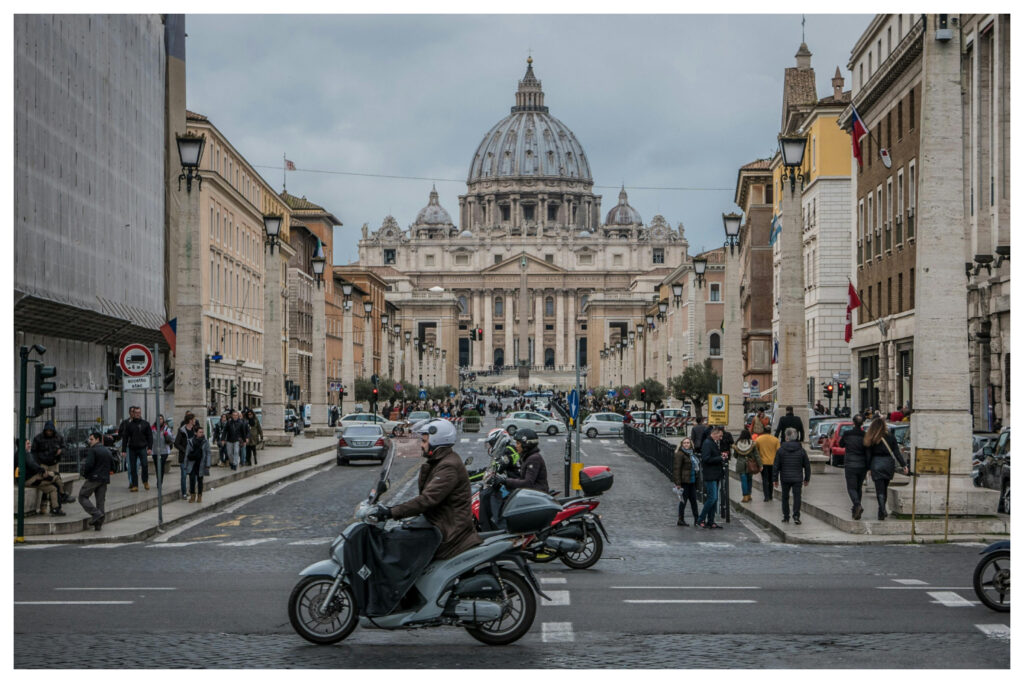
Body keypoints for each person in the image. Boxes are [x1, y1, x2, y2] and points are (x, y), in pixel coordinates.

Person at [369, 419, 483, 560]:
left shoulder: (448, 466)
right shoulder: (441, 461)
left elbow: (427, 500)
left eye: (424, 441)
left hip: (449, 531)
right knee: (401, 534)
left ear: (436, 441)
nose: (421, 445)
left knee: (398, 543)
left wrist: (390, 512)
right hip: (441, 522)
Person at [863, 417, 908, 521]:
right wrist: (904, 465)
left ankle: (882, 509)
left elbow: (868, 455)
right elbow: (897, 452)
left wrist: (868, 468)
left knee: (879, 489)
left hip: (876, 463)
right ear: (884, 426)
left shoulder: (871, 437)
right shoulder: (891, 437)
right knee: (885, 487)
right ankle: (881, 512)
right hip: (888, 464)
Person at [29, 421, 73, 503]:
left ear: (53, 430)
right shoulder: (38, 438)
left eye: (50, 431)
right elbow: (34, 452)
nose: (49, 432)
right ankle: (45, 504)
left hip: (54, 464)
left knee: (56, 482)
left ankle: (57, 503)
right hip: (43, 464)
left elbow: (65, 447)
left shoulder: (59, 437)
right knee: (45, 483)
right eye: (47, 430)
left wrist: (61, 451)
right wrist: (38, 464)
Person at [773, 427, 810, 524]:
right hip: (797, 478)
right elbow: (807, 465)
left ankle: (786, 516)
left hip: (785, 478)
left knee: (785, 497)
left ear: (786, 437)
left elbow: (776, 466)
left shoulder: (781, 450)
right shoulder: (801, 450)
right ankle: (796, 515)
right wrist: (807, 478)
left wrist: (775, 479)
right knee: (797, 497)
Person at [77, 432, 113, 530]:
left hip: (94, 478)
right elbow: (113, 464)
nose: (90, 441)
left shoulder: (93, 450)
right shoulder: (107, 450)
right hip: (104, 479)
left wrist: (86, 474)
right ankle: (98, 525)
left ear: (97, 439)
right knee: (100, 501)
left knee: (82, 496)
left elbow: (89, 464)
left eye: (92, 439)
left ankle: (96, 513)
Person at [495, 428, 549, 494]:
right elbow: (522, 478)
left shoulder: (534, 459)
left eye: (518, 443)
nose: (516, 446)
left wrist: (505, 481)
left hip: (537, 493)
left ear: (526, 444)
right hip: (532, 492)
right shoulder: (527, 457)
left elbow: (528, 483)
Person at [696, 426, 727, 529]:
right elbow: (706, 459)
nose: (721, 438)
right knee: (712, 498)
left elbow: (712, 456)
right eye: (720, 436)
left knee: (714, 499)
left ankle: (711, 521)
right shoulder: (707, 443)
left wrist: (720, 455)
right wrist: (720, 458)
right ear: (714, 433)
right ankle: (700, 519)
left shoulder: (712, 442)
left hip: (715, 474)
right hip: (710, 475)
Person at [839, 414, 868, 519]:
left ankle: (857, 505)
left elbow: (841, 444)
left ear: (853, 422)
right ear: (862, 423)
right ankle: (856, 510)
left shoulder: (847, 434)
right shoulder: (865, 435)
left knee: (851, 487)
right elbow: (867, 450)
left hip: (850, 464)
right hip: (862, 464)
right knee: (858, 487)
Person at [118, 406, 153, 492]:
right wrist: (123, 450)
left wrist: (149, 447)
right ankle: (135, 485)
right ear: (133, 414)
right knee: (133, 467)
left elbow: (150, 436)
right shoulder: (129, 425)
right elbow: (125, 438)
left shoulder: (145, 424)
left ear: (140, 413)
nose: (137, 414)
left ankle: (145, 481)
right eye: (136, 413)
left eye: (139, 413)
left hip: (142, 448)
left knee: (145, 465)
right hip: (132, 448)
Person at [24, 451, 65, 516]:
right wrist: (42, 471)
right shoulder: (25, 454)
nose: (29, 446)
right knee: (56, 477)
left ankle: (55, 509)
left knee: (53, 488)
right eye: (27, 445)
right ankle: (63, 495)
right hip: (30, 480)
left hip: (33, 478)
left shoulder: (28, 454)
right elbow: (32, 465)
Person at [672, 437, 700, 526]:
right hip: (684, 482)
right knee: (683, 502)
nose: (686, 444)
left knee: (694, 501)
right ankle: (680, 520)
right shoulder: (680, 454)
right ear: (682, 444)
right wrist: (678, 483)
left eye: (688, 443)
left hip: (692, 481)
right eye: (684, 443)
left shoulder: (691, 454)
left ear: (691, 444)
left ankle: (697, 520)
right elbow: (676, 469)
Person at [732, 429, 761, 503]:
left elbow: (735, 455)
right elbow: (757, 455)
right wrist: (760, 465)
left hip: (740, 464)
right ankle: (749, 494)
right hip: (750, 464)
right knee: (749, 479)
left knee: (743, 480)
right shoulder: (752, 444)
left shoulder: (737, 443)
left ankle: (745, 496)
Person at [185, 425, 212, 503]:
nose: (202, 433)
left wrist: (208, 464)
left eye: (202, 432)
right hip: (192, 463)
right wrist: (185, 464)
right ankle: (192, 495)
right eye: (200, 432)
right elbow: (187, 453)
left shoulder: (205, 441)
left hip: (201, 463)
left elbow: (208, 453)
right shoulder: (190, 441)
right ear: (195, 433)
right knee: (192, 479)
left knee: (200, 480)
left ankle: (200, 496)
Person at [173, 412, 196, 501]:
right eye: (193, 419)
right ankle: (184, 493)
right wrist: (184, 450)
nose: (195, 421)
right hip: (184, 458)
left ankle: (192, 491)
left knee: (193, 476)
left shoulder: (195, 430)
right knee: (184, 475)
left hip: (193, 456)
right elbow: (176, 443)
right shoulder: (182, 431)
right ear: (190, 421)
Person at [754, 430, 781, 502]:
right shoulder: (775, 440)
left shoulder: (758, 439)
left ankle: (766, 496)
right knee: (771, 479)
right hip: (773, 463)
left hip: (763, 463)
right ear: (770, 431)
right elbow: (779, 452)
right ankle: (770, 495)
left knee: (765, 479)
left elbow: (756, 451)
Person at [152, 415, 174, 488]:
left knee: (161, 466)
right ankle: (158, 479)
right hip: (155, 451)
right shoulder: (152, 429)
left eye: (161, 419)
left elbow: (172, 439)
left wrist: (166, 434)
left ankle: (160, 482)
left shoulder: (167, 428)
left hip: (164, 451)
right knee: (157, 467)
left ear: (163, 420)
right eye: (158, 419)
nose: (160, 420)